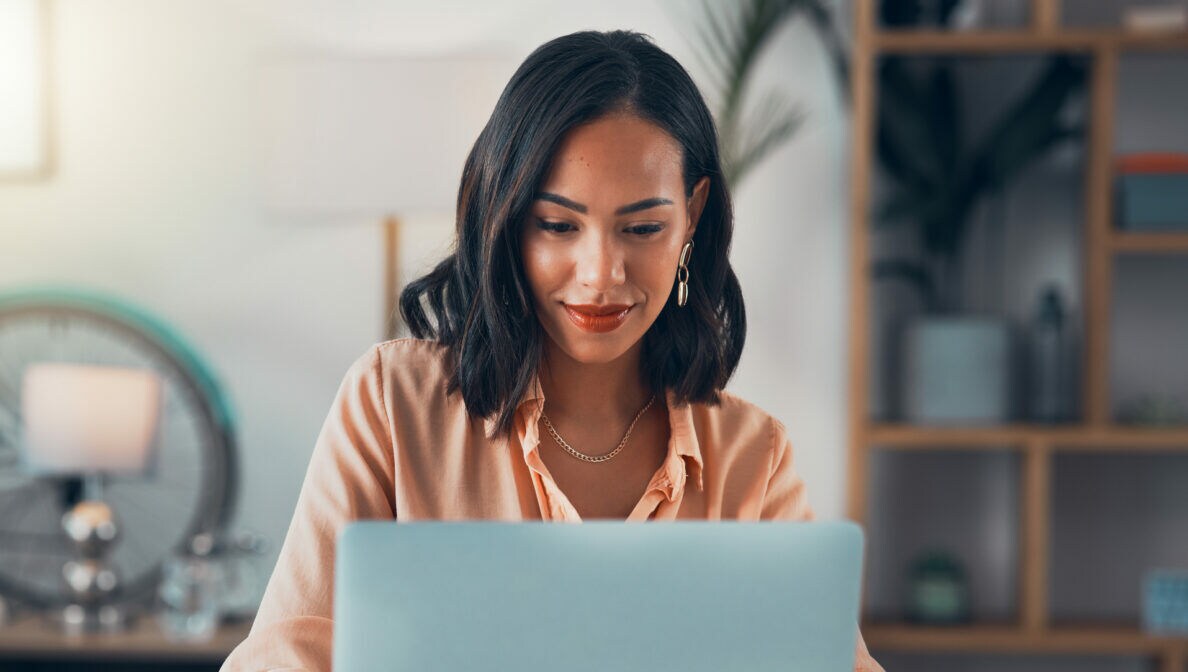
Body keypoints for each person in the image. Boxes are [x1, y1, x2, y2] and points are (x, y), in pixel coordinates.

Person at [222, 29, 883, 672]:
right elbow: (285, 654)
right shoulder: (392, 405)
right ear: (506, 222)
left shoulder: (751, 458)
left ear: (693, 217)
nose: (600, 274)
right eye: (558, 226)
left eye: (644, 227)